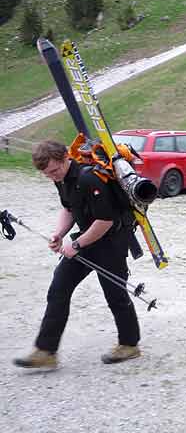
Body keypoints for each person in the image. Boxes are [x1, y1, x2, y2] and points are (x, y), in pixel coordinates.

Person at [13, 140, 141, 369]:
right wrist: (59, 234)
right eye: (47, 174)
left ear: (66, 158)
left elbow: (105, 221)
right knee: (58, 288)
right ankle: (46, 351)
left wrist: (76, 245)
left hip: (111, 243)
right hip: (86, 241)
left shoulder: (89, 178)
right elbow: (69, 208)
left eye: (54, 171)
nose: (52, 176)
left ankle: (130, 345)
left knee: (115, 295)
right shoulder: (61, 178)